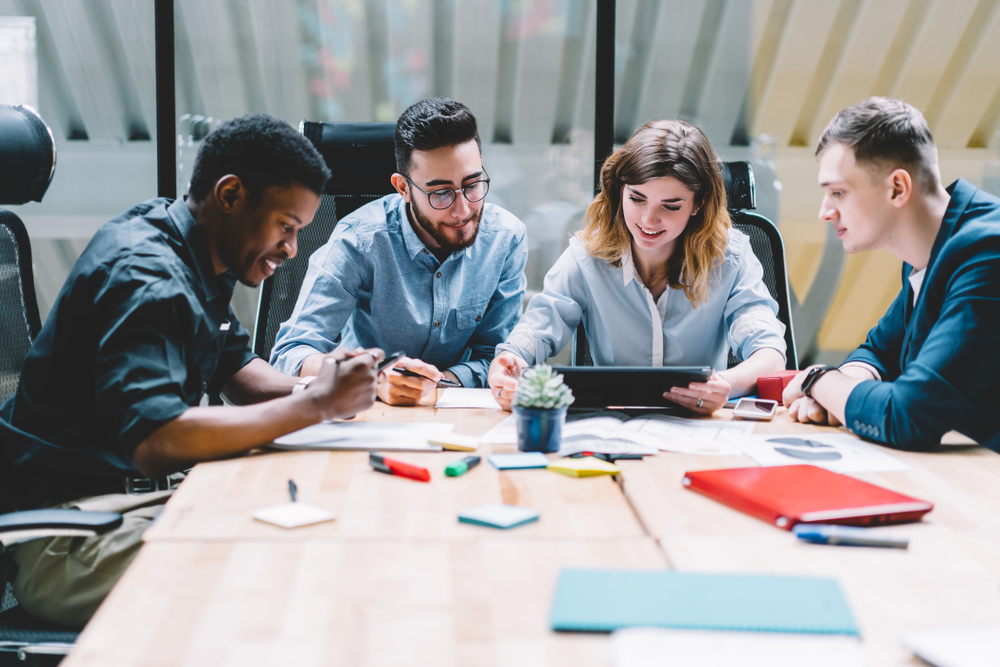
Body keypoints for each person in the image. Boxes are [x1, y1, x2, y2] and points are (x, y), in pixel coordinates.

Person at [0, 114, 382, 628]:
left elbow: (238, 371)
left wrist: (323, 385)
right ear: (230, 196)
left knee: (315, 521)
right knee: (289, 567)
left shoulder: (197, 248)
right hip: (64, 541)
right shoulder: (147, 277)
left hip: (121, 505)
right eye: (287, 227)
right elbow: (157, 439)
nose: (292, 249)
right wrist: (315, 405)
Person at [488, 120, 787, 413]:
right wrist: (512, 357)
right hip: (611, 423)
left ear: (699, 203)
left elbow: (770, 354)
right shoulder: (586, 255)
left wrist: (724, 385)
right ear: (620, 190)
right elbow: (539, 326)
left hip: (699, 426)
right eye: (637, 198)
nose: (647, 220)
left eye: (670, 206)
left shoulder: (730, 257)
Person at [269, 97, 527, 406]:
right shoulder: (358, 240)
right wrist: (371, 377)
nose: (463, 210)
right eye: (441, 193)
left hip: (456, 410)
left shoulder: (506, 238)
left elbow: (495, 355)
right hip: (369, 411)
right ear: (403, 188)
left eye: (472, 184)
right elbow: (290, 352)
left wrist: (441, 383)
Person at [783, 97, 1000, 451]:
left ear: (897, 188)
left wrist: (817, 379)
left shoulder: (988, 252)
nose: (825, 212)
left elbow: (910, 416)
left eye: (838, 192)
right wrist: (837, 393)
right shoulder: (934, 253)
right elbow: (878, 352)